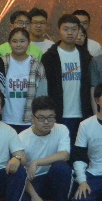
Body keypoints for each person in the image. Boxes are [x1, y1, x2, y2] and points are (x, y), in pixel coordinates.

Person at [18, 97, 73, 201]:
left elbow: (65, 155)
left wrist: (37, 162)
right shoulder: (22, 138)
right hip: (33, 181)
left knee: (61, 167)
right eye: (41, 118)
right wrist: (34, 196)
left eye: (51, 117)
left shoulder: (61, 129)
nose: (47, 122)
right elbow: (21, 173)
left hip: (54, 178)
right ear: (33, 118)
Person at [40, 13, 93, 143]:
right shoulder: (49, 57)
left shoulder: (86, 56)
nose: (70, 33)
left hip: (82, 114)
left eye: (74, 29)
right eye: (66, 29)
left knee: (79, 150)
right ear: (59, 30)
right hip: (58, 114)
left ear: (79, 31)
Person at [0, 27, 44, 130]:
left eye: (22, 41)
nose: (18, 44)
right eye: (14, 41)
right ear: (9, 43)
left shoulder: (36, 64)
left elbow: (43, 93)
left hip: (30, 120)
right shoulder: (1, 62)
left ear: (29, 43)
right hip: (6, 119)